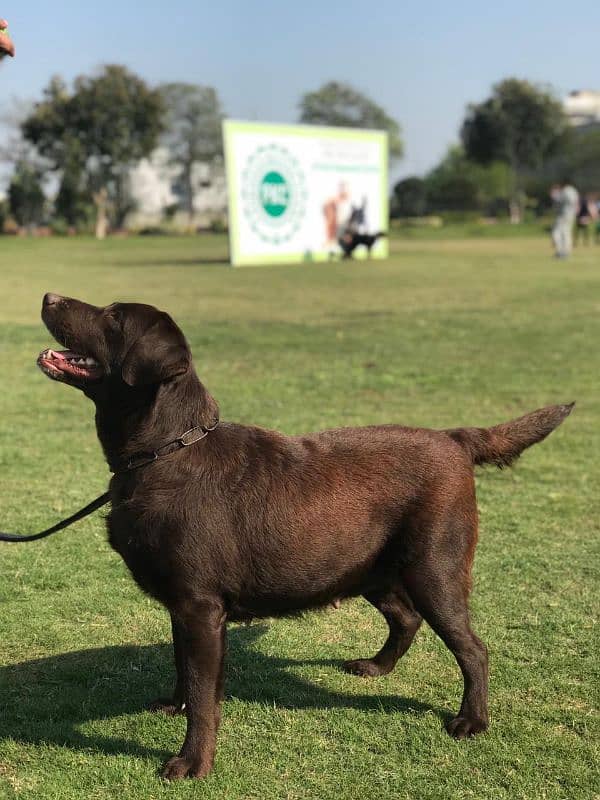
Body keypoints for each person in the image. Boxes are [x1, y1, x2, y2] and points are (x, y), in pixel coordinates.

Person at [550, 181, 579, 259]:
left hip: (563, 215)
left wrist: (554, 194)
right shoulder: (573, 191)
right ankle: (566, 251)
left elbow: (559, 200)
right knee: (566, 233)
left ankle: (560, 251)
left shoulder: (566, 191)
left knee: (556, 232)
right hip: (571, 215)